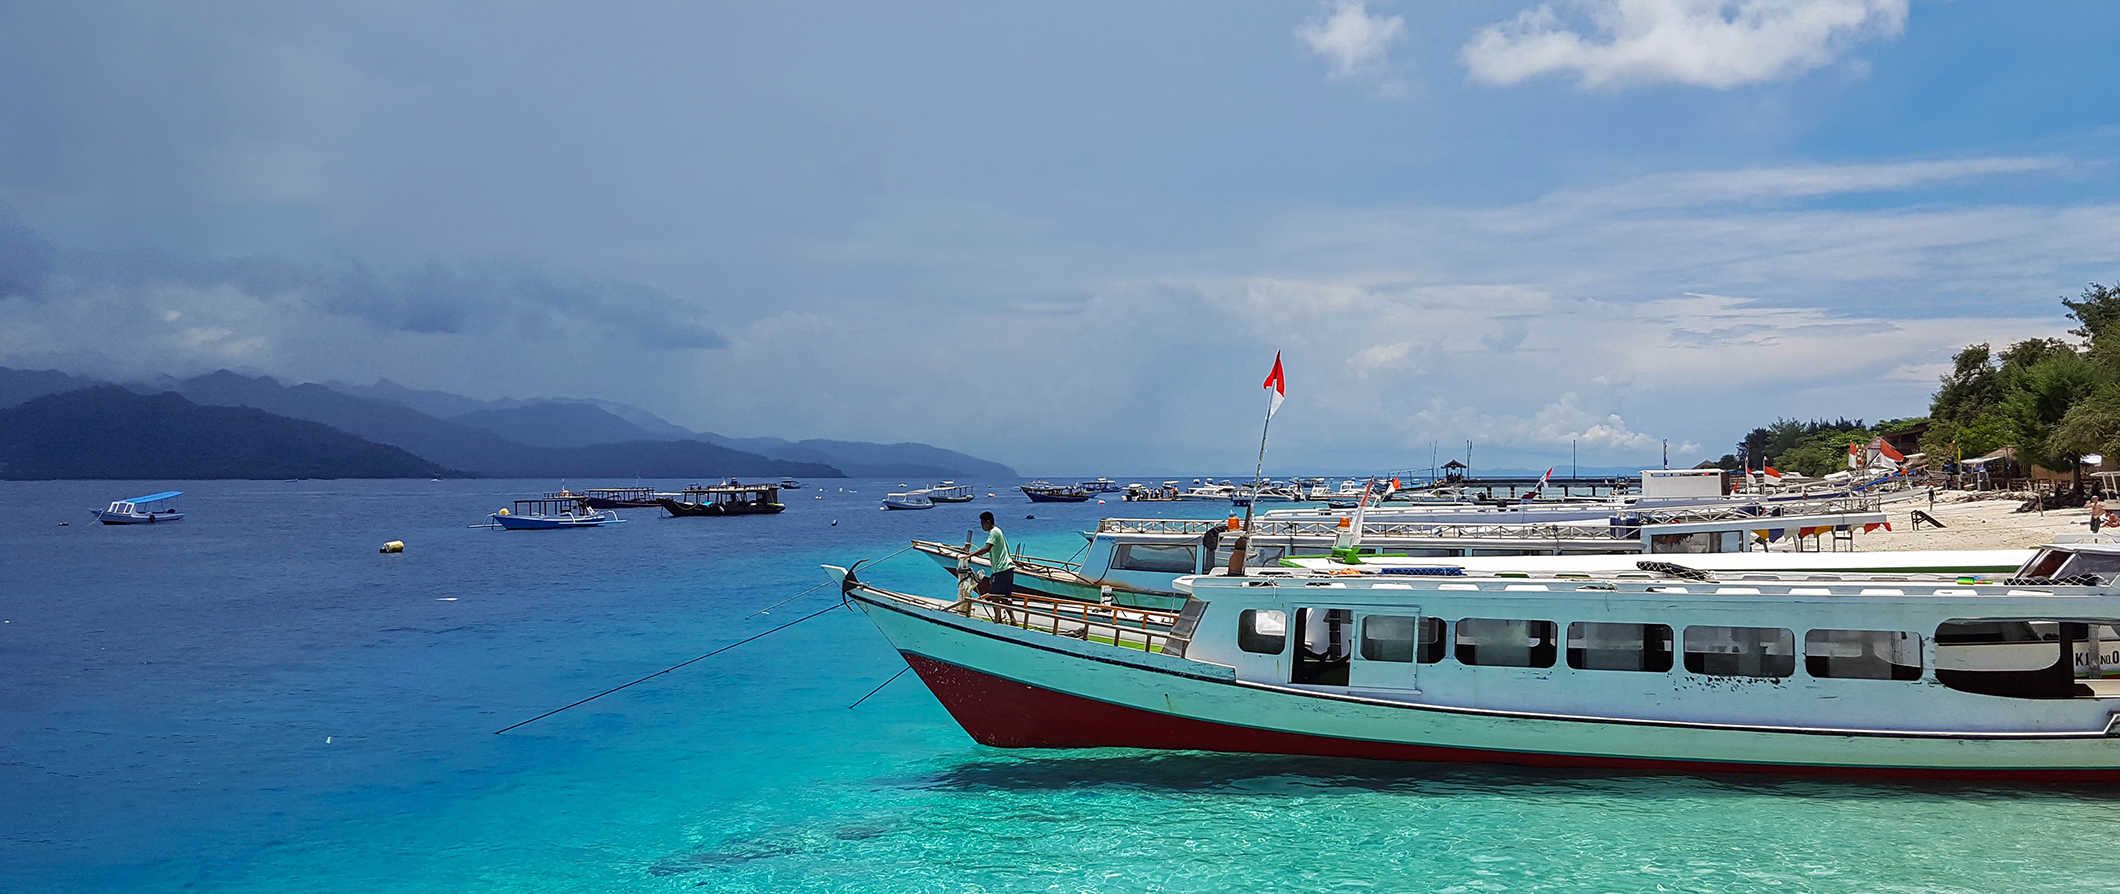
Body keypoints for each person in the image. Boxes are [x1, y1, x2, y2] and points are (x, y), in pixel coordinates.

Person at [966, 510, 1014, 596]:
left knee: (994, 596)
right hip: (1006, 569)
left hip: (1002, 569)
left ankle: (1003, 609)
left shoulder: (994, 532)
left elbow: (986, 548)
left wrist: (970, 555)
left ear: (988, 522)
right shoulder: (997, 530)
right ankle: (1010, 610)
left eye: (982, 523)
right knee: (1005, 598)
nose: (982, 526)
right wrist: (993, 573)